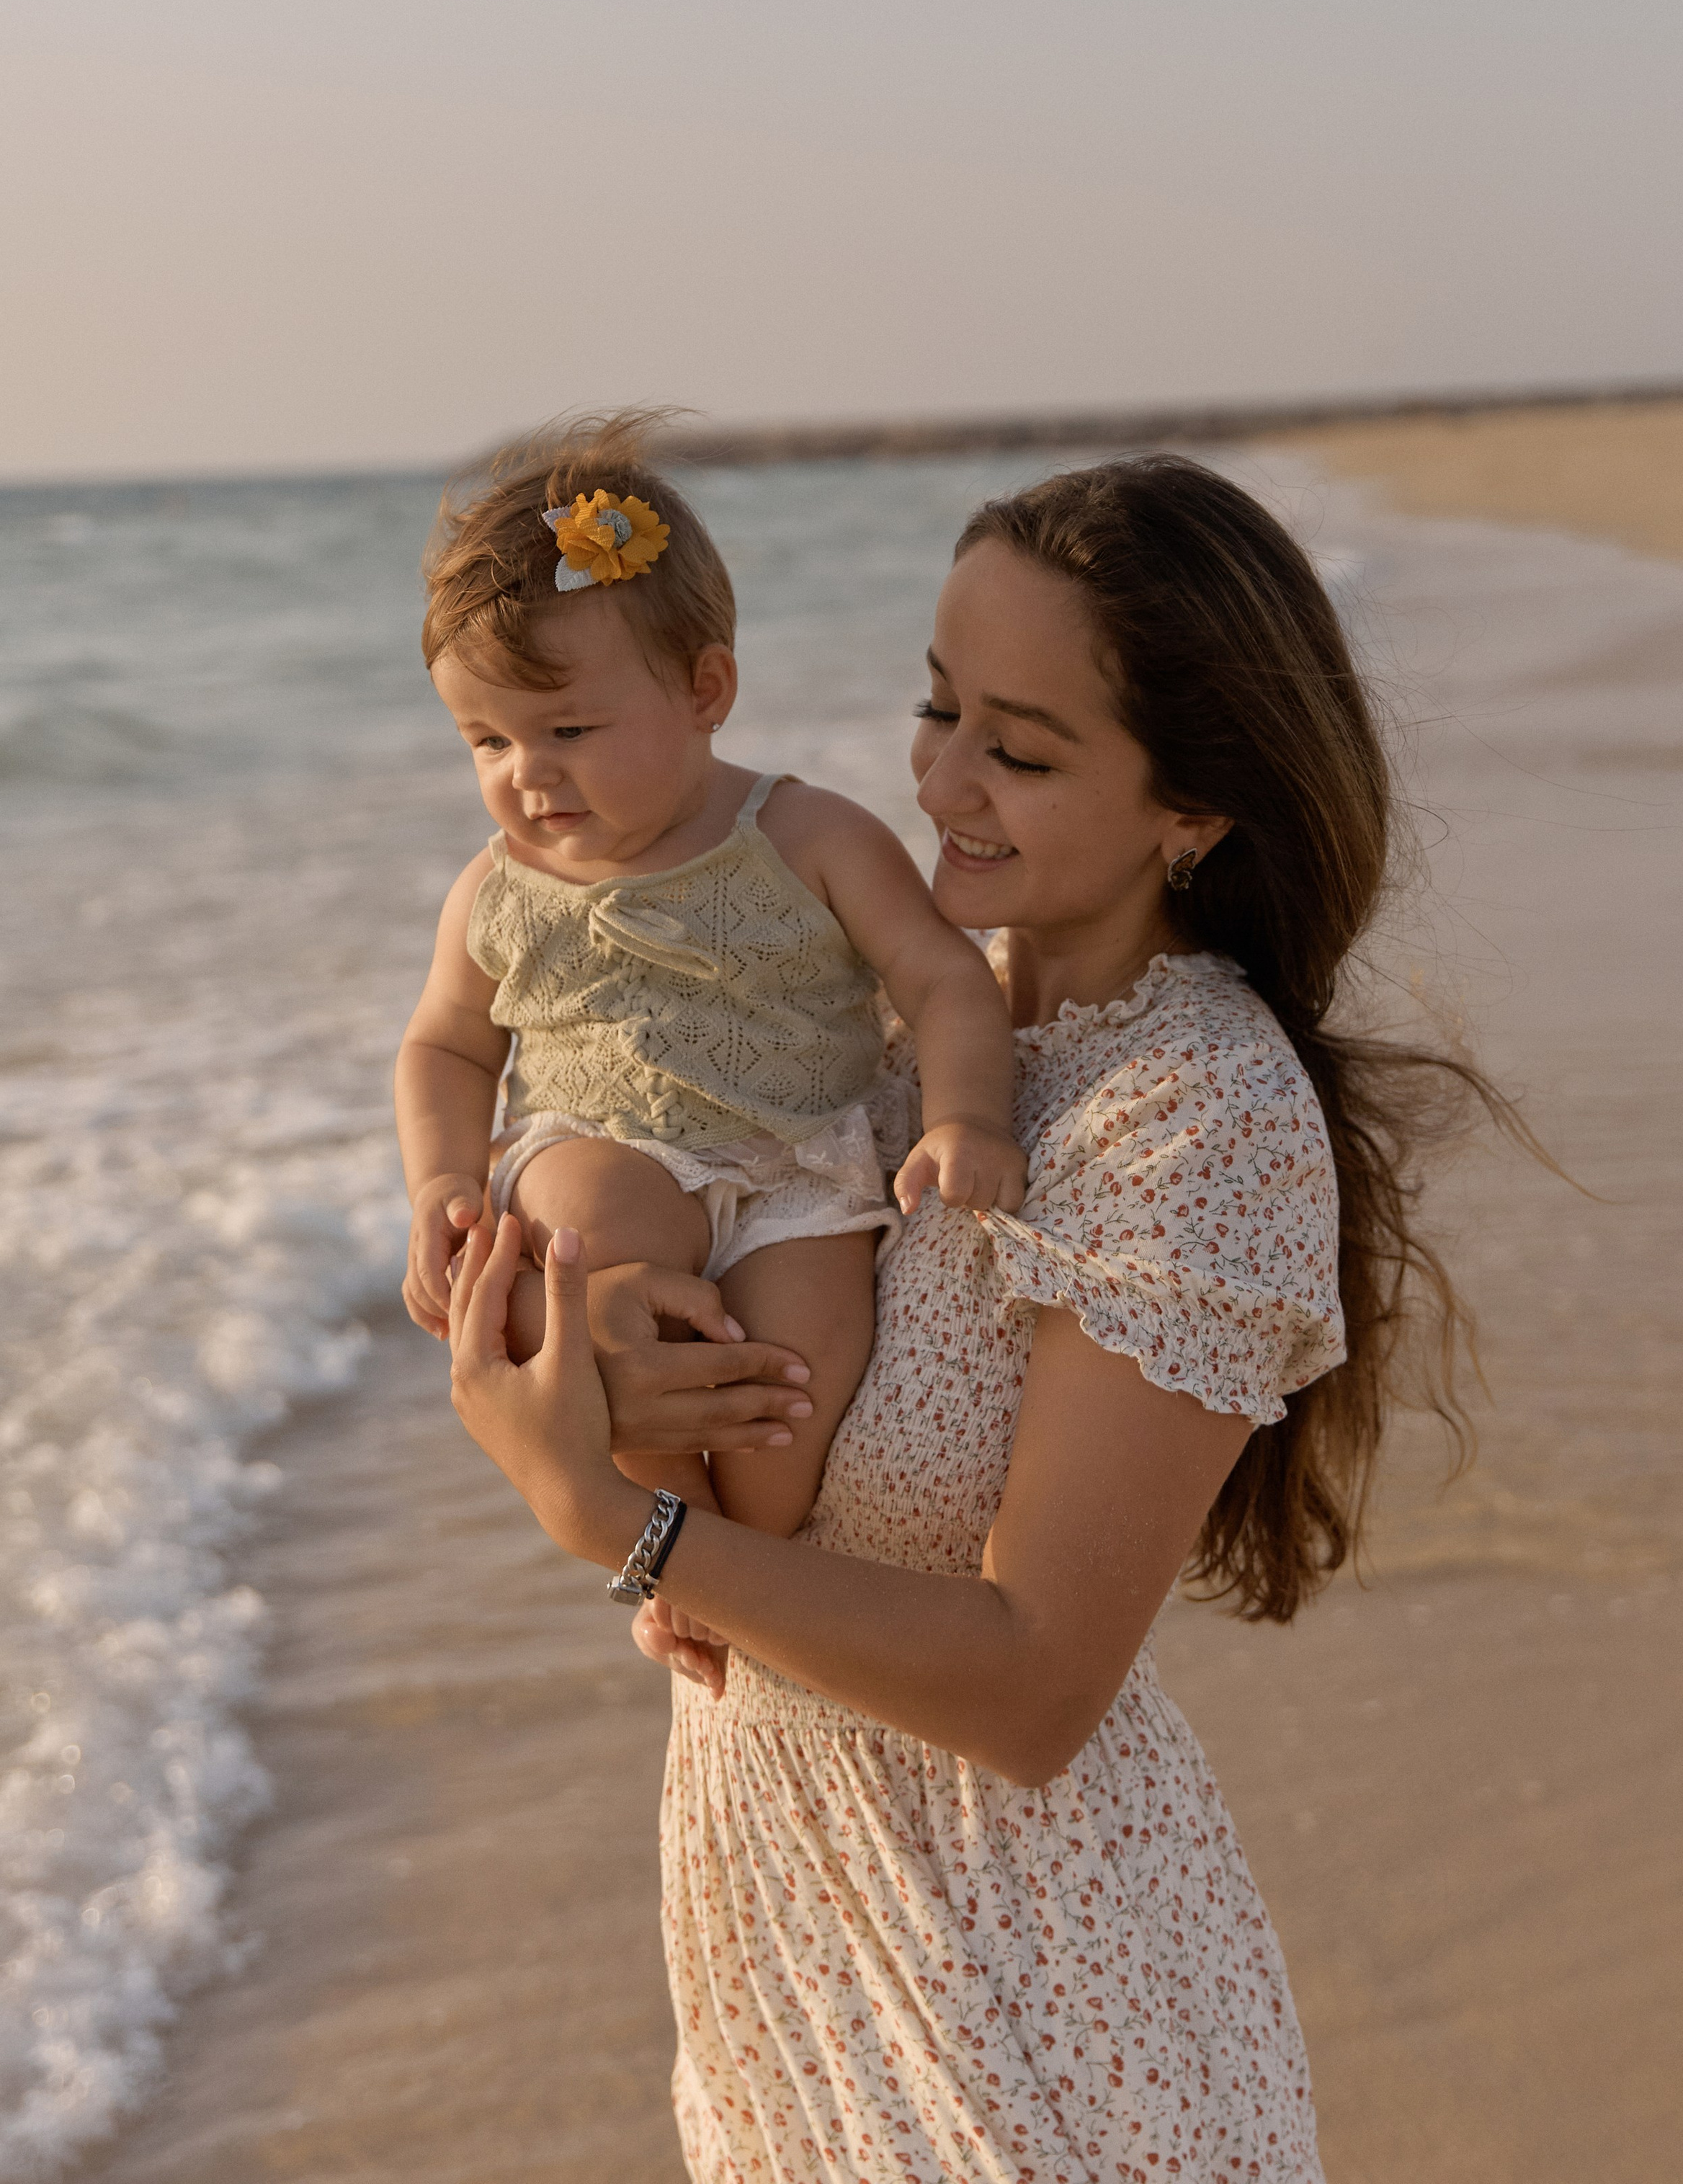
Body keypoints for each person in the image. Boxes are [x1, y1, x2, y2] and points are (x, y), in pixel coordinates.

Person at [432, 453, 1488, 2184]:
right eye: (936, 709)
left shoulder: (1194, 1114)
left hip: (1030, 2003)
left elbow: (1030, 1687)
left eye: (1020, 746)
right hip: (791, 1934)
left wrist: (615, 1530)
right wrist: (615, 1370)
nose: (938, 779)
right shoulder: (895, 1022)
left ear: (1193, 811)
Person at [396, 414, 1024, 1536]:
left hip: (796, 1166)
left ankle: (750, 1557)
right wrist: (442, 1183)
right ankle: (661, 1528)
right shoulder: (496, 891)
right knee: (602, 1227)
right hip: (596, 1146)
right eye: (485, 742)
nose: (526, 774)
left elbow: (943, 978)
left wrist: (966, 1117)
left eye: (570, 728)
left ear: (705, 689)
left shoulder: (806, 835)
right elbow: (446, 1043)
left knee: (788, 1392)